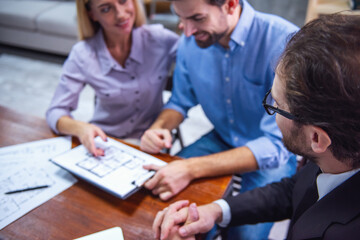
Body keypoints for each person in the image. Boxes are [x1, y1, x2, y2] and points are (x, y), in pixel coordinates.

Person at [153, 13, 360, 240]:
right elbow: (294, 190)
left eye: (276, 105)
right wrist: (216, 210)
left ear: (317, 139)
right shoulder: (336, 158)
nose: (269, 107)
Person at [140, 0, 298, 238]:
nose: (187, 30)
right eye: (181, 18)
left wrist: (191, 168)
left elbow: (276, 145)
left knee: (243, 235)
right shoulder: (191, 41)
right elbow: (180, 101)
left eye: (197, 18)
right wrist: (158, 128)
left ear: (231, 5)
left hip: (271, 152)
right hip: (222, 137)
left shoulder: (283, 41)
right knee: (158, 206)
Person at [46, 0, 178, 156]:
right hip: (105, 141)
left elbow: (197, 57)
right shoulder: (83, 54)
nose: (121, 14)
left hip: (149, 142)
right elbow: (56, 111)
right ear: (92, 14)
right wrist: (81, 129)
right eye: (106, 9)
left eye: (123, 1)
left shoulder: (161, 40)